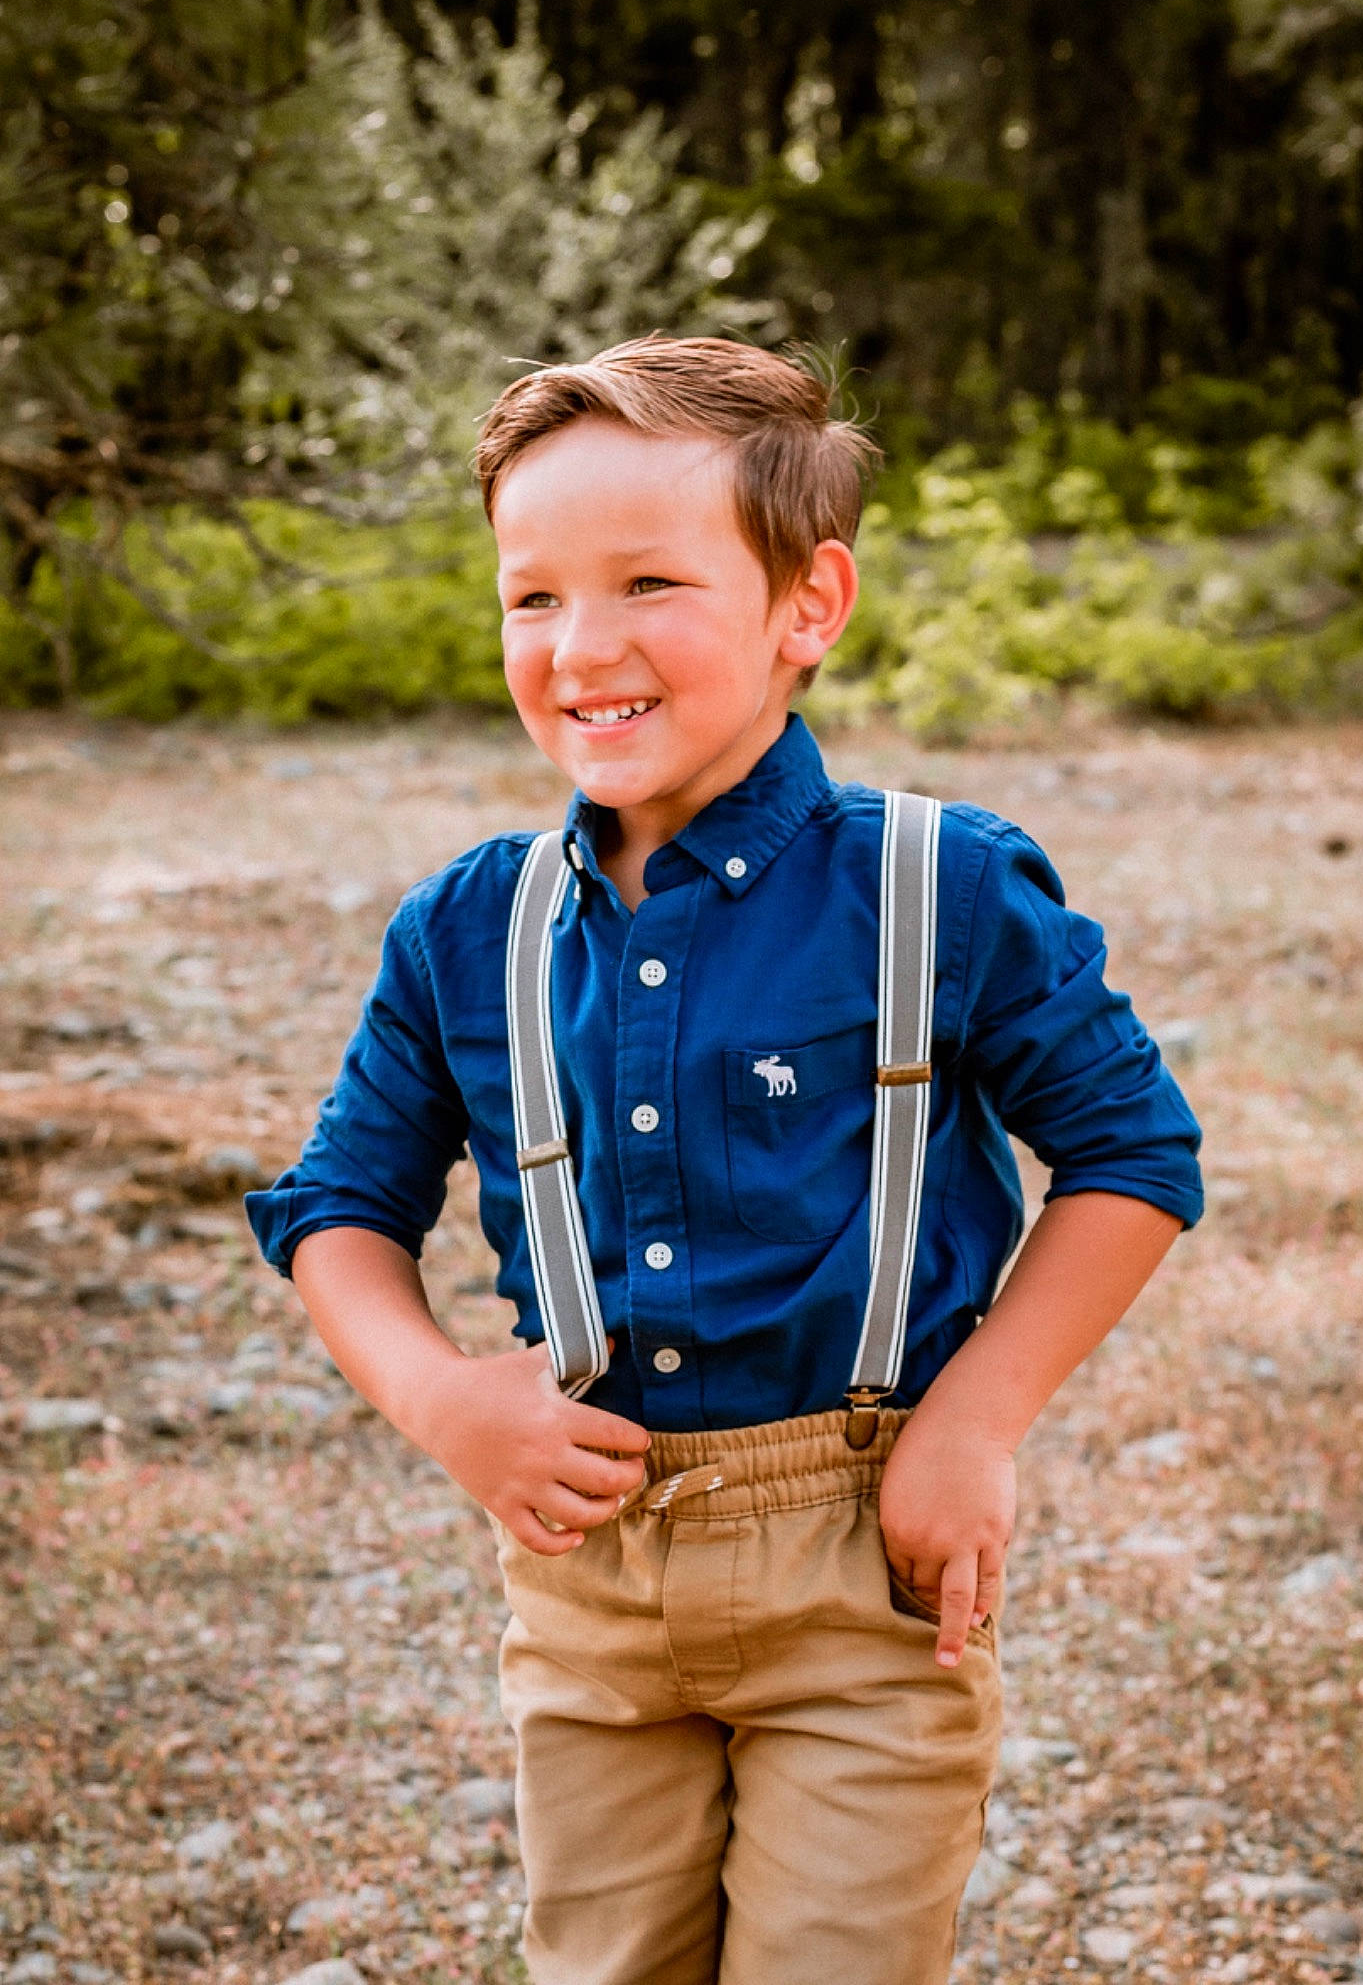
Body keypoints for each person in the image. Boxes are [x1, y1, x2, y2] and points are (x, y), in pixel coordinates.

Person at [245, 335, 1203, 1985]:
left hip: (864, 1559)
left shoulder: (936, 887)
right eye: (531, 597)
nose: (581, 645)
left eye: (647, 584)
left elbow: (1134, 1157)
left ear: (806, 606)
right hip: (589, 1585)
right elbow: (340, 1210)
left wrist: (974, 1419)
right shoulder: (467, 928)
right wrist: (446, 1399)